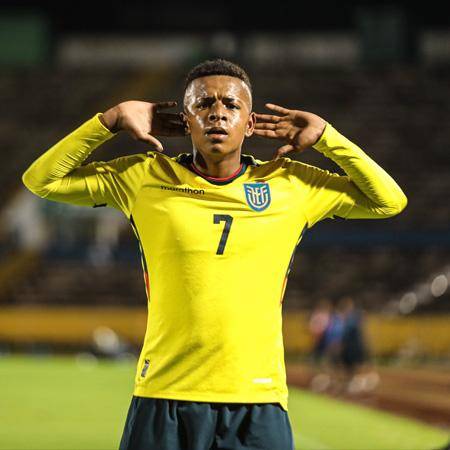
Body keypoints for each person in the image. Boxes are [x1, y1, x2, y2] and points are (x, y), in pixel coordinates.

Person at [21, 58, 408, 450]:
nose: (217, 113)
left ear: (251, 123)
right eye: (203, 104)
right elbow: (41, 181)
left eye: (231, 104)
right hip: (164, 394)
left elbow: (388, 202)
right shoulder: (143, 177)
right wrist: (109, 121)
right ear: (186, 120)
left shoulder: (290, 184)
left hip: (258, 400)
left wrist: (328, 137)